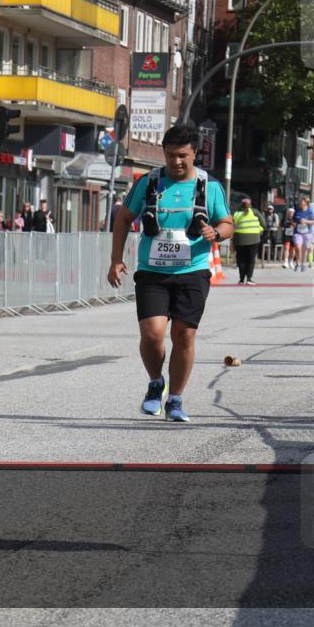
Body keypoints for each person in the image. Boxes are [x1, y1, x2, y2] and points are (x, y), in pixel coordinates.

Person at [107, 124, 233, 423]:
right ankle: (155, 383)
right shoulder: (148, 183)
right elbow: (123, 219)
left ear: (194, 153)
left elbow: (227, 223)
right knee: (153, 334)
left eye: (182, 156)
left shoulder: (209, 186)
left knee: (184, 334)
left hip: (192, 271)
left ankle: (175, 399)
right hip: (153, 271)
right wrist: (116, 259)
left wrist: (216, 233)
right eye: (170, 155)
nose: (176, 161)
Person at [232, 197, 264, 285]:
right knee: (251, 259)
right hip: (254, 238)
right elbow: (263, 224)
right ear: (250, 204)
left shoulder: (236, 214)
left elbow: (232, 226)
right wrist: (258, 231)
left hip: (239, 239)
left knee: (241, 259)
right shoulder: (255, 212)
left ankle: (241, 279)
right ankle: (249, 278)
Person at [292, 197, 314, 272]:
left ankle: (303, 264)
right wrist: (294, 223)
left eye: (301, 201)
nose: (300, 203)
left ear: (306, 203)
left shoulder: (310, 211)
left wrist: (305, 221)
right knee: (298, 247)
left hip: (307, 233)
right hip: (298, 232)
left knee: (304, 249)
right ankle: (298, 264)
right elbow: (293, 220)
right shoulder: (297, 210)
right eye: (300, 201)